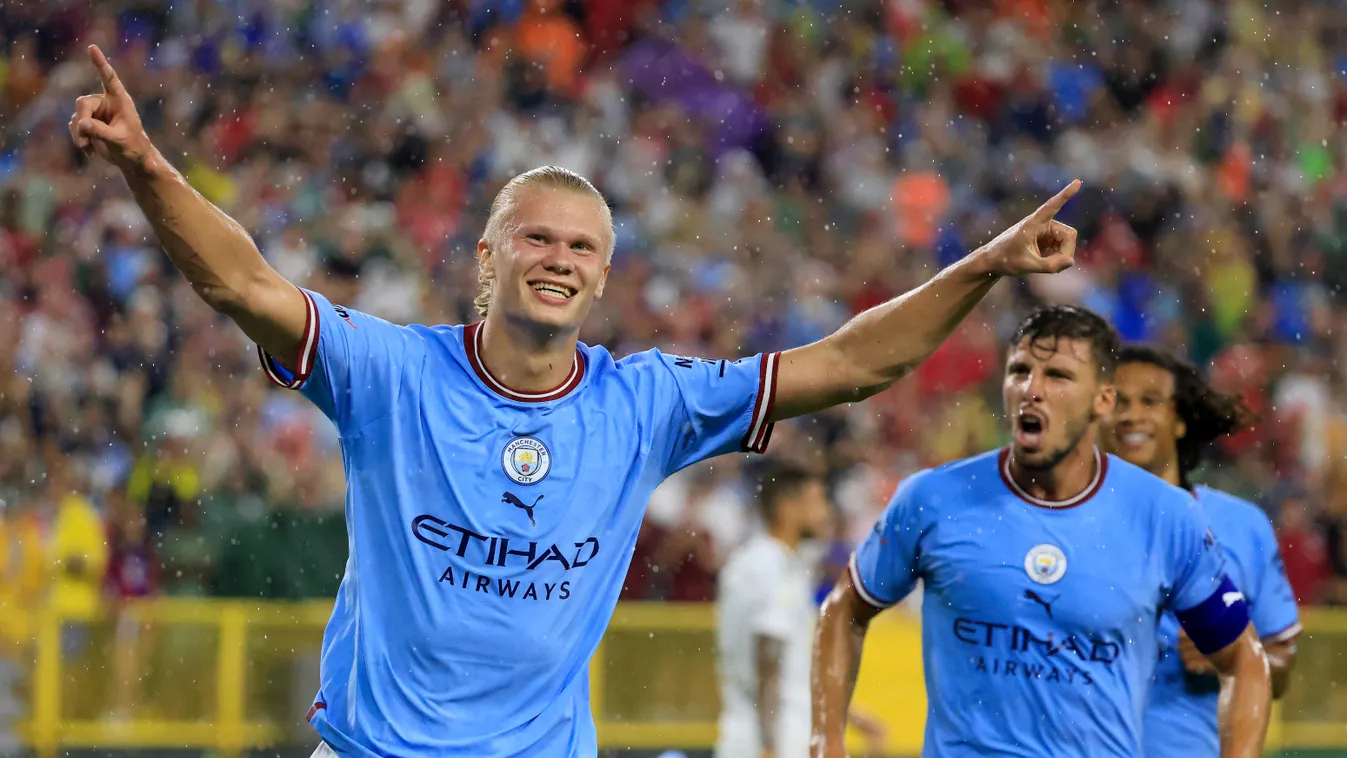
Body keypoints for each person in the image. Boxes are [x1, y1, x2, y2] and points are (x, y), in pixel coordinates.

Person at [70, 44, 1081, 758]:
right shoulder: (391, 374)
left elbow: (851, 363)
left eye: (581, 246)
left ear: (603, 279)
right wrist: (147, 164)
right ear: (489, 254)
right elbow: (242, 286)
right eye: (537, 237)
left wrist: (985, 265)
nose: (558, 258)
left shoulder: (647, 403)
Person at [813, 306, 1272, 758]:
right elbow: (844, 609)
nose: (1032, 389)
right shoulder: (934, 499)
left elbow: (1245, 661)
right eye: (1019, 371)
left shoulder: (1164, 516)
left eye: (1058, 376)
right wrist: (826, 739)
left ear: (1103, 400)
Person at [1104, 344, 1300, 757]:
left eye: (1149, 401)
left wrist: (1234, 656)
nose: (1130, 415)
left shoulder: (1242, 525)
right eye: (1118, 401)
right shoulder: (1068, 524)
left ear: (1179, 420)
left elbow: (1280, 663)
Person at [715, 462, 884, 758]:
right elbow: (768, 654)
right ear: (787, 509)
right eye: (817, 501)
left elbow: (789, 671)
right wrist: (769, 746)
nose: (827, 512)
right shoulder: (770, 566)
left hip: (757, 736)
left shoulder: (766, 562)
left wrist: (848, 715)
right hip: (771, 743)